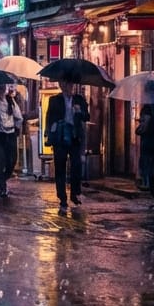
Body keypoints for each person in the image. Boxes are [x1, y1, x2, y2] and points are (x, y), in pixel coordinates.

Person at [45, 79, 90, 214]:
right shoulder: (55, 100)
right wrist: (49, 134)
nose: (68, 87)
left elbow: (87, 116)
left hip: (74, 136)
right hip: (60, 137)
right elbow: (49, 118)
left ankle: (75, 193)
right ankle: (62, 198)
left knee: (76, 165)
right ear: (61, 85)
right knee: (60, 167)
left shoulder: (79, 99)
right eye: (65, 84)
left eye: (70, 84)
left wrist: (79, 112)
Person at [0, 82, 23, 197]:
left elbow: (19, 117)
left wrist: (16, 129)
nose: (1, 89)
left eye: (2, 87)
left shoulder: (11, 101)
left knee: (12, 160)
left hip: (10, 134)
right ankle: (1, 187)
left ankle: (2, 178)